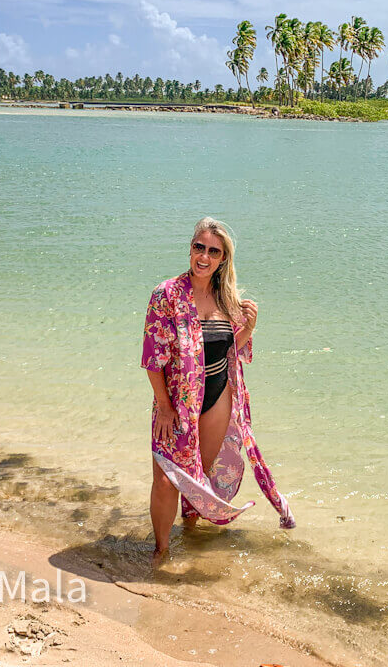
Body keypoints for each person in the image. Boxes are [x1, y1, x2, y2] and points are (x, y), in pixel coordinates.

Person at [142, 217, 295, 566]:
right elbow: (153, 359)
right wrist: (164, 408)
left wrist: (250, 327)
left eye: (214, 251)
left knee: (199, 477)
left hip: (218, 396)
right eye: (200, 247)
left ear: (223, 258)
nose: (204, 256)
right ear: (190, 248)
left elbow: (230, 353)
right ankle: (161, 552)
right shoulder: (166, 295)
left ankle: (191, 534)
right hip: (177, 402)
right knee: (167, 479)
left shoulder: (228, 300)